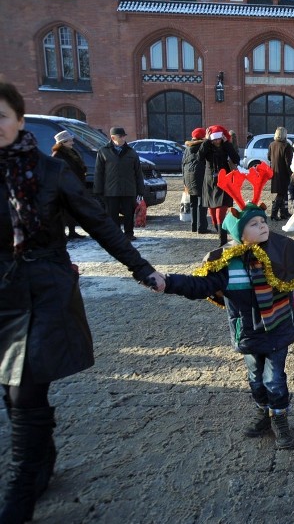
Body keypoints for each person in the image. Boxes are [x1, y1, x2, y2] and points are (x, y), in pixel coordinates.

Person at [0, 81, 161, 522]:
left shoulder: (50, 172)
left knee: (24, 388)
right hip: (2, 295)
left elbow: (100, 223)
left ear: (19, 119)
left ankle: (17, 494)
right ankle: (42, 456)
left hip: (42, 290)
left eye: (1, 116)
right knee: (13, 393)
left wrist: (141, 267)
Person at [150, 163, 294, 449]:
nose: (263, 226)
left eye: (263, 222)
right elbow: (199, 285)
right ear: (239, 232)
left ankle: (280, 419)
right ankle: (263, 412)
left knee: (275, 379)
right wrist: (169, 281)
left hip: (277, 329)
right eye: (254, 224)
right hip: (247, 331)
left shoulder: (279, 250)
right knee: (255, 379)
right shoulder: (227, 264)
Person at [93, 126, 145, 241]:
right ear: (113, 137)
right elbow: (99, 173)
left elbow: (138, 173)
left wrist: (140, 190)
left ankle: (128, 234)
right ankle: (115, 235)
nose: (123, 138)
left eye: (124, 136)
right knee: (112, 215)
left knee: (128, 213)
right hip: (111, 190)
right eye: (120, 136)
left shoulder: (131, 152)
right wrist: (98, 190)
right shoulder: (103, 151)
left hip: (128, 189)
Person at [198, 125, 240, 245]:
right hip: (210, 183)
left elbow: (236, 159)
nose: (217, 141)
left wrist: (227, 144)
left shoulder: (226, 146)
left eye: (219, 139)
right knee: (212, 213)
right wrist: (205, 141)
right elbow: (199, 157)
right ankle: (220, 234)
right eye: (214, 139)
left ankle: (222, 242)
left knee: (220, 213)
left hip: (224, 182)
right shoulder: (207, 147)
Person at [50, 130, 87, 239]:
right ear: (63, 142)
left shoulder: (72, 152)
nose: (73, 142)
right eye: (70, 141)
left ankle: (72, 231)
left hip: (74, 186)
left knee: (72, 210)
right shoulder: (57, 155)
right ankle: (62, 233)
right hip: (64, 187)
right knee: (64, 212)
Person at [182, 127, 211, 234]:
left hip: (188, 178)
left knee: (193, 203)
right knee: (202, 203)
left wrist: (184, 180)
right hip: (200, 177)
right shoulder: (203, 146)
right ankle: (202, 227)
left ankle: (194, 226)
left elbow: (183, 164)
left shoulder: (187, 148)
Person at [268, 126, 293, 222]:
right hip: (284, 173)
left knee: (282, 193)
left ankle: (284, 212)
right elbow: (288, 162)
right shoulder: (286, 146)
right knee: (281, 194)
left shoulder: (272, 144)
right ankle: (274, 213)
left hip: (275, 171)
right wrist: (291, 173)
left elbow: (269, 157)